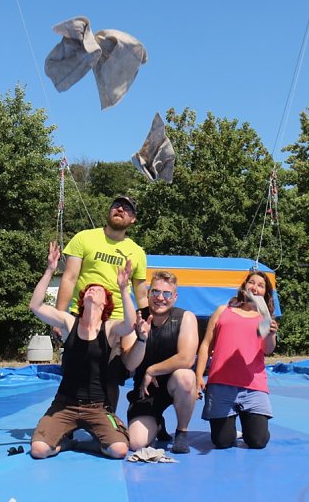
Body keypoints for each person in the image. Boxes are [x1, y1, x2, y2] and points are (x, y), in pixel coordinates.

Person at [28, 241, 136, 460]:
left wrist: (124, 290)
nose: (92, 289)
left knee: (119, 450)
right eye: (89, 288)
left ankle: (89, 445)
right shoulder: (70, 323)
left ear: (106, 302)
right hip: (64, 404)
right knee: (39, 450)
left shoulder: (109, 328)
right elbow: (36, 306)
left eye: (98, 290)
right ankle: (67, 444)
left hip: (97, 407)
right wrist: (50, 270)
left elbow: (130, 324)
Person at [56, 195, 148, 407]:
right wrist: (59, 318)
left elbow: (141, 294)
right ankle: (66, 426)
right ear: (109, 211)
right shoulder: (84, 238)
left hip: (114, 322)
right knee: (73, 370)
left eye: (127, 209)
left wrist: (148, 323)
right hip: (81, 316)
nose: (120, 209)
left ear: (133, 219)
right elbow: (69, 278)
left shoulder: (137, 252)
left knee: (111, 375)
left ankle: (106, 424)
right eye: (117, 205)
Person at [195, 270, 278, 450]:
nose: (255, 287)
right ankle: (230, 428)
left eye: (260, 285)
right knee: (222, 441)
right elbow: (205, 345)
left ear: (266, 293)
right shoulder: (223, 311)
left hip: (253, 386)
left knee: (258, 441)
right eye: (252, 282)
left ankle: (250, 424)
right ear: (244, 286)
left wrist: (271, 334)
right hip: (221, 384)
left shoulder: (265, 319)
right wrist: (199, 376)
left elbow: (268, 349)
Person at [122, 271, 198, 454]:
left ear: (175, 297)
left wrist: (152, 370)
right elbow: (129, 365)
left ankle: (181, 432)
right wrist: (141, 339)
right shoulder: (135, 319)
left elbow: (187, 359)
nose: (160, 298)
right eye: (155, 292)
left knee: (186, 377)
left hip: (173, 384)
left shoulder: (186, 318)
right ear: (148, 293)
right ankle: (157, 423)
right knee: (137, 444)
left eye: (167, 294)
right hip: (145, 390)